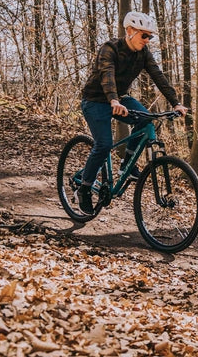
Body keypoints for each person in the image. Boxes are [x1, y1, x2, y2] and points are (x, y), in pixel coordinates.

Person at [78, 11, 189, 214]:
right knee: (104, 144)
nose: (147, 40)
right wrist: (112, 99)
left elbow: (158, 76)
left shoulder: (143, 54)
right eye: (143, 35)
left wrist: (176, 103)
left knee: (146, 121)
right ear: (129, 31)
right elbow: (107, 75)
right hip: (95, 100)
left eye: (150, 37)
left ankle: (126, 164)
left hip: (119, 99)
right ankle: (85, 187)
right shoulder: (109, 49)